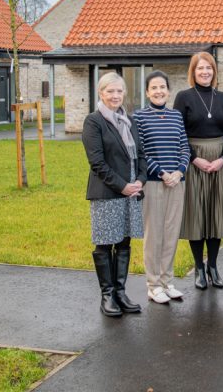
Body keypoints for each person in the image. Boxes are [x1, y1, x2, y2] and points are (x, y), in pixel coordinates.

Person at [81, 72, 147, 317]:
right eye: (110, 91)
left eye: (119, 91)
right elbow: (97, 163)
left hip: (131, 191)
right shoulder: (93, 121)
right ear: (101, 93)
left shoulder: (130, 121)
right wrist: (123, 186)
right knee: (105, 242)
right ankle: (107, 295)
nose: (116, 95)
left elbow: (140, 156)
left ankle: (121, 291)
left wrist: (140, 180)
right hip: (108, 192)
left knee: (124, 241)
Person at [172, 52, 223, 290]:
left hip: (219, 161)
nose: (205, 72)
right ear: (193, 72)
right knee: (197, 214)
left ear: (214, 71)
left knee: (216, 213)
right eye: (200, 69)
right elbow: (178, 133)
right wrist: (194, 159)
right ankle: (199, 267)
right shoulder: (183, 97)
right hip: (193, 160)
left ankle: (213, 266)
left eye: (208, 68)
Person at [134, 70, 190, 305]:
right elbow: (142, 152)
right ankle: (153, 284)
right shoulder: (138, 117)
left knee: (170, 234)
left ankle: (167, 282)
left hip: (177, 183)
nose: (159, 91)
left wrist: (179, 171)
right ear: (147, 92)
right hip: (155, 184)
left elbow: (185, 147)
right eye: (154, 88)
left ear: (169, 91)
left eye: (162, 87)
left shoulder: (176, 116)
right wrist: (163, 173)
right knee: (154, 234)